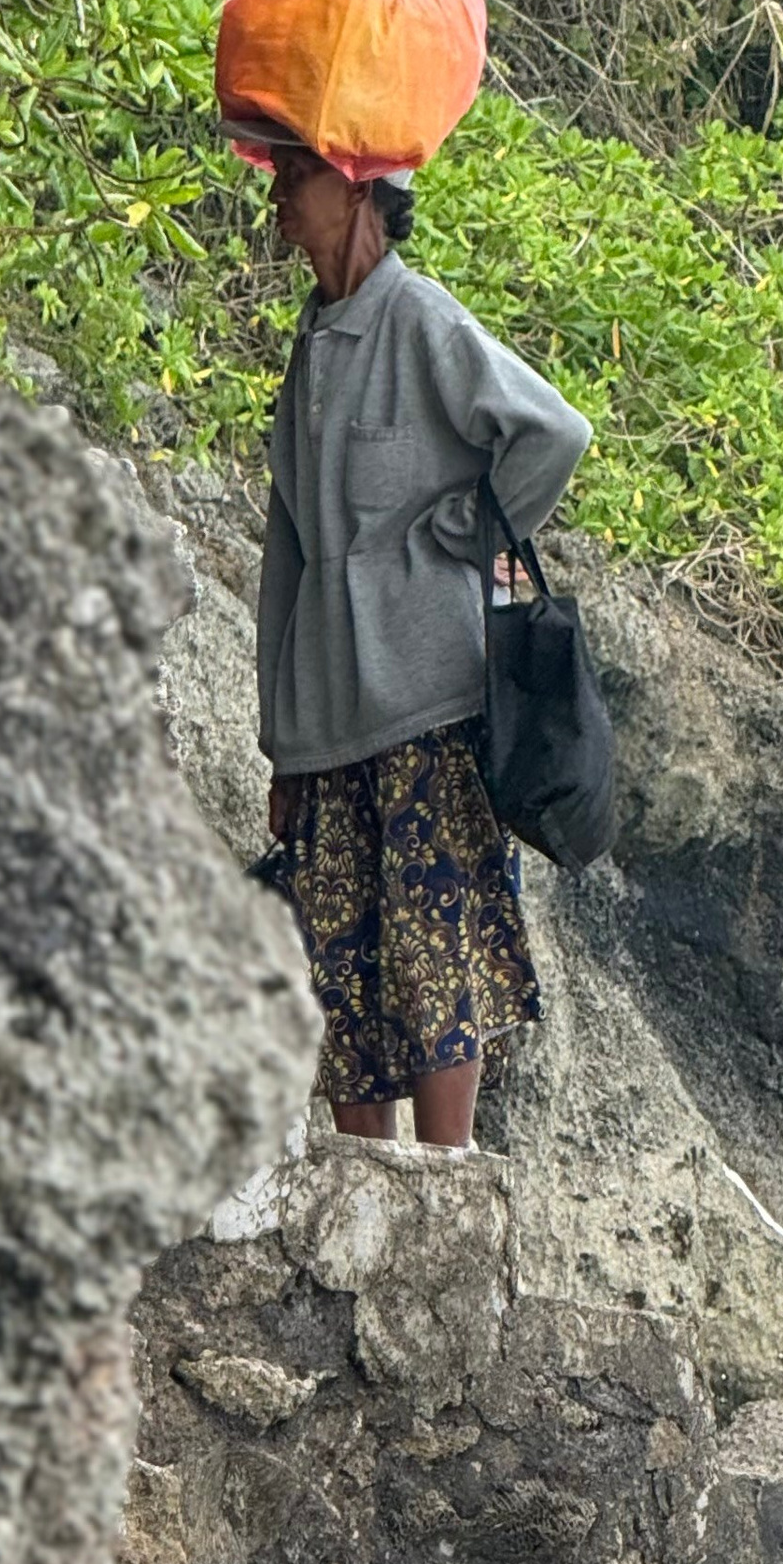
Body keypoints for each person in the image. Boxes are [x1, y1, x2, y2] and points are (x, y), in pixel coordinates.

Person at [251, 135, 591, 1147]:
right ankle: (369, 1179)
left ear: (360, 188)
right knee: (340, 961)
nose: (280, 192)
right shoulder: (312, 347)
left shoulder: (421, 319)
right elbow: (287, 553)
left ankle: (448, 1179)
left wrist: (459, 529)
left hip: (427, 700)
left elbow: (554, 433)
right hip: (328, 715)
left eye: (300, 172)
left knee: (434, 941)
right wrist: (281, 743)